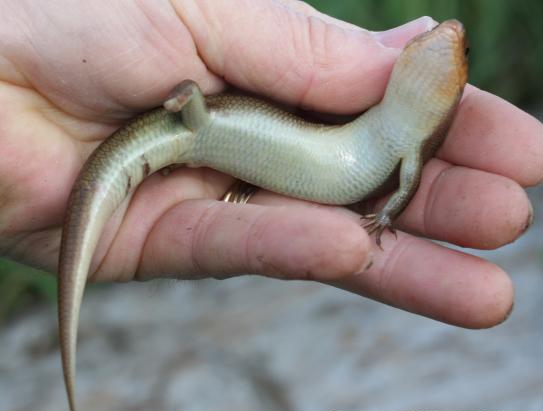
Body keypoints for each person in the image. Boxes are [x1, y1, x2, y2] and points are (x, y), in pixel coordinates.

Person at [0, 0, 540, 329]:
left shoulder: (414, 137)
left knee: (194, 135)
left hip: (204, 141)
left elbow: (405, 185)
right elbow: (402, 182)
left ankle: (186, 118)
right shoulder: (391, 109)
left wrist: (387, 214)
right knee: (198, 126)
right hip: (207, 126)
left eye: (461, 54)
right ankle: (188, 103)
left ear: (453, 91)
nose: (447, 37)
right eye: (424, 40)